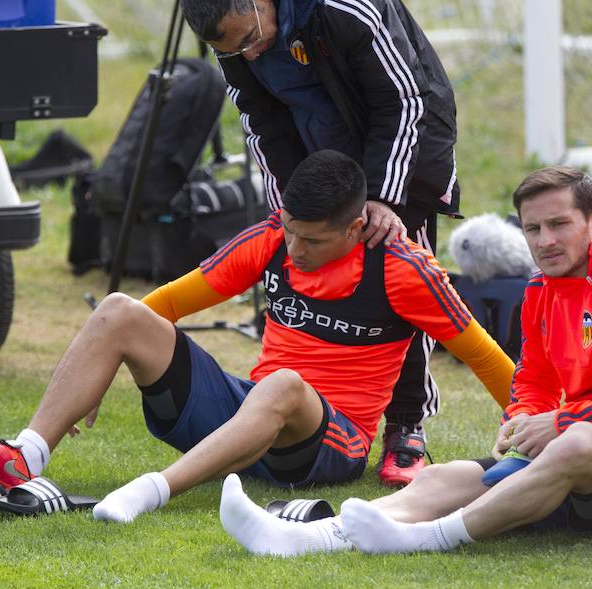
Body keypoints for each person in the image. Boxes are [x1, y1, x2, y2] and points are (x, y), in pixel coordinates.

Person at [0, 150, 513, 525]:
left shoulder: (404, 268)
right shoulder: (271, 239)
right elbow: (163, 306)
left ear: (354, 229)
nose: (296, 249)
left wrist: (537, 432)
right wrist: (96, 374)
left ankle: (153, 489)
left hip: (330, 444)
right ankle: (25, 456)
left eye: (313, 239)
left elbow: (487, 359)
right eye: (290, 230)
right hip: (246, 418)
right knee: (121, 310)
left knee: (281, 384)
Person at [213, 166, 592, 556]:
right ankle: (305, 536)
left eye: (560, 225)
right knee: (439, 477)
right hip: (585, 463)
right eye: (533, 228)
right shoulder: (540, 288)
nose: (545, 241)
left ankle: (429, 538)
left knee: (578, 440)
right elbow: (535, 378)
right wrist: (521, 419)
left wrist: (559, 422)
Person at [179, 0, 462, 485]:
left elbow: (405, 100)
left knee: (399, 283)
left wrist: (383, 197)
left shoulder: (343, 10)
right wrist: (291, 209)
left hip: (400, 154)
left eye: (249, 39)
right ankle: (306, 412)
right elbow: (262, 123)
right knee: (311, 274)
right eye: (231, 50)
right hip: (320, 161)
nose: (247, 56)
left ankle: (405, 427)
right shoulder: (234, 39)